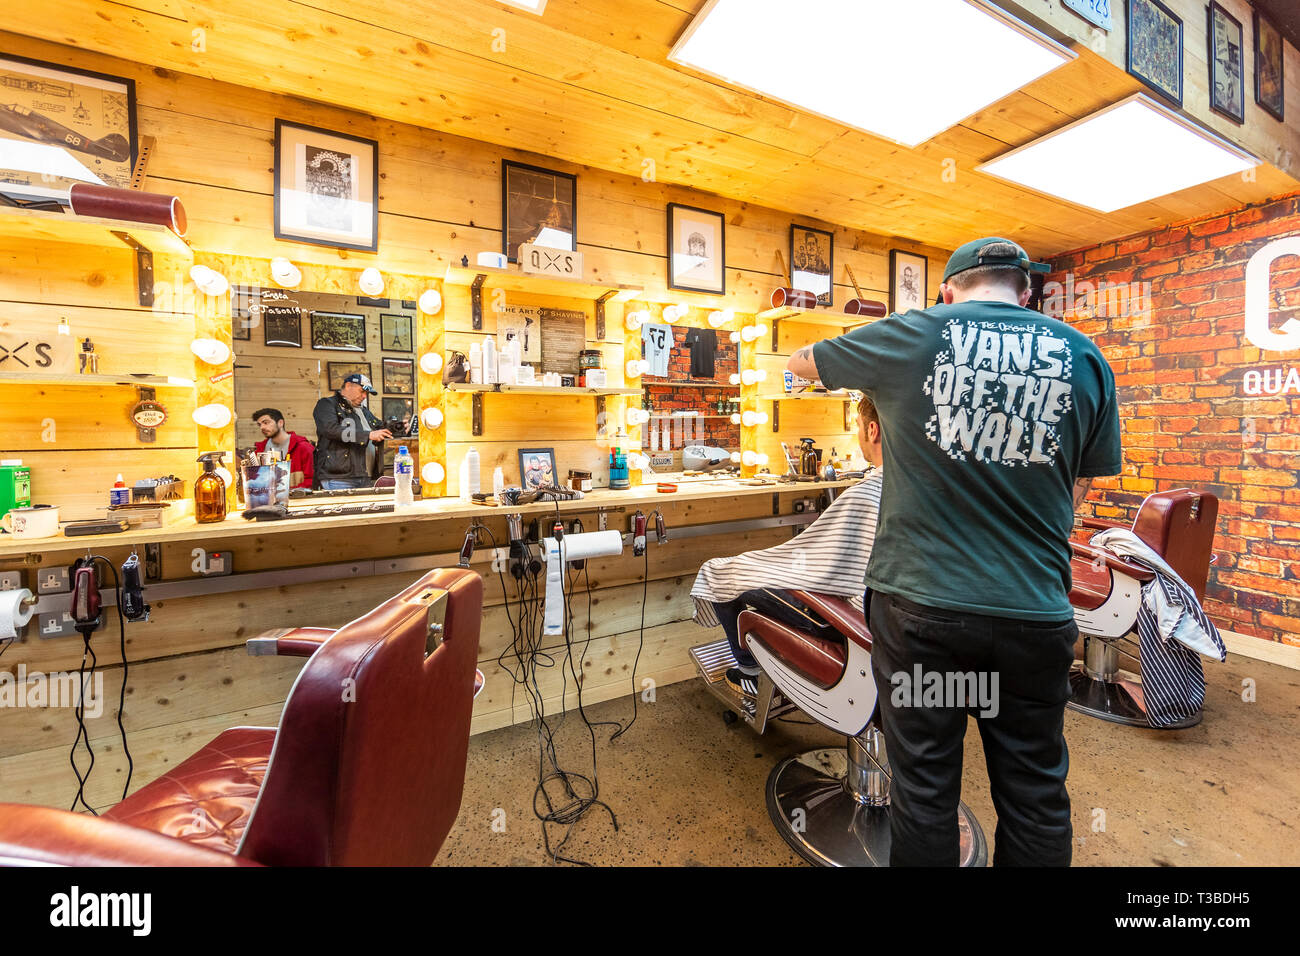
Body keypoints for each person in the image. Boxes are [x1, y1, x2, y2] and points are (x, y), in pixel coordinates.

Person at [785, 237, 1121, 868]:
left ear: (947, 292)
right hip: (1034, 613)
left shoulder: (911, 334)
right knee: (1035, 791)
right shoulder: (1083, 354)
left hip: (924, 614)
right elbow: (1078, 482)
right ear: (1025, 292)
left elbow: (803, 362)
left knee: (926, 791)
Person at [691, 395, 884, 698]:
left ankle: (748, 672)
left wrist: (775, 566)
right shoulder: (907, 487)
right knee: (753, 568)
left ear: (871, 431)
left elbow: (820, 562)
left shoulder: (863, 497)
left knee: (719, 572)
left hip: (840, 619)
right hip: (884, 622)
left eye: (858, 426)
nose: (857, 433)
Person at [312, 373, 392, 490]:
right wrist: (368, 435)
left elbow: (380, 427)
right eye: (362, 391)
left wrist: (398, 427)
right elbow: (331, 430)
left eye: (367, 393)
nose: (365, 396)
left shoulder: (363, 411)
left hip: (365, 476)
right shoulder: (327, 404)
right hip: (339, 478)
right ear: (349, 386)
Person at [251, 407, 314, 490]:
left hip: (299, 499)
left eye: (266, 422)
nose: (262, 427)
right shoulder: (259, 451)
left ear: (280, 423)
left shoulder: (303, 447)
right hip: (267, 500)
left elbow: (312, 480)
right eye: (259, 424)